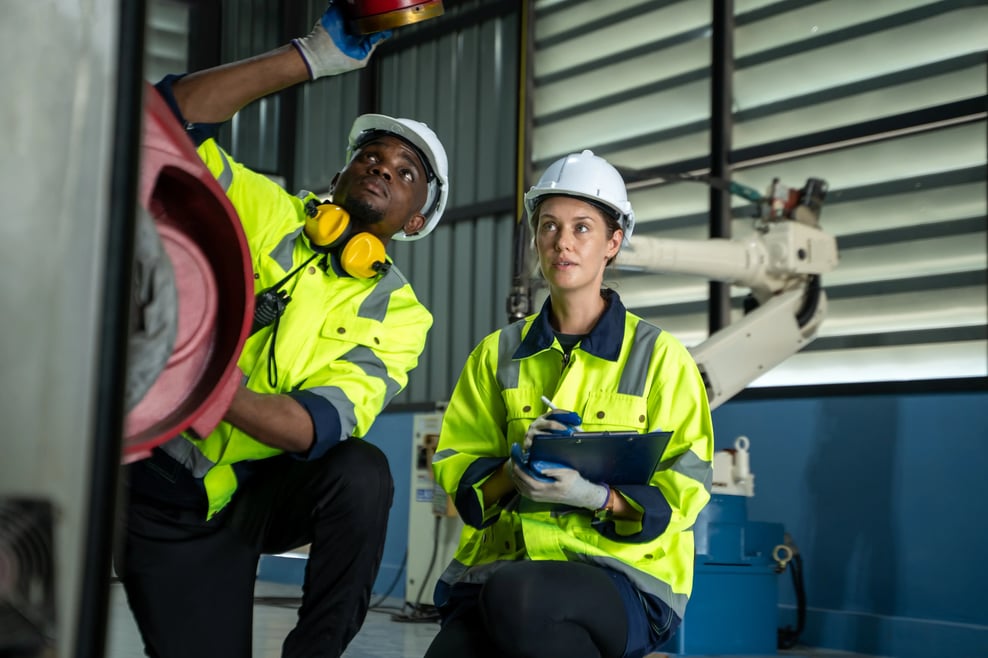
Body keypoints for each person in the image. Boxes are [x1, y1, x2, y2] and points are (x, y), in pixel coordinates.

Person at [114, 5, 450, 658]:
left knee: (363, 472)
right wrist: (314, 57)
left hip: (266, 493)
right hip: (169, 494)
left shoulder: (400, 314)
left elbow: (313, 428)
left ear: (415, 222)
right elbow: (167, 120)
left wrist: (194, 376)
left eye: (406, 173)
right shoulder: (267, 211)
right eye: (371, 157)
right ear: (339, 177)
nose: (383, 168)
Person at [425, 150, 713, 658]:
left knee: (525, 599)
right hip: (505, 565)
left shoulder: (661, 357)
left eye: (583, 228)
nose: (562, 242)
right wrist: (511, 474)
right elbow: (459, 470)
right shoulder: (496, 355)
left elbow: (686, 484)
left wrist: (596, 498)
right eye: (549, 226)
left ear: (613, 243)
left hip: (621, 575)